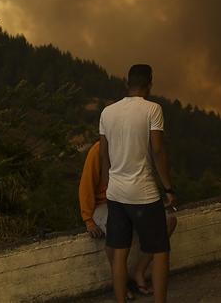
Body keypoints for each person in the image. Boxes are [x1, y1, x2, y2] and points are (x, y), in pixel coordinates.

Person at [100, 64, 176, 303]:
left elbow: (104, 155)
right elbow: (157, 150)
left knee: (119, 253)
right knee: (160, 251)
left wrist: (106, 187)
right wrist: (168, 188)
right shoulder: (153, 109)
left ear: (127, 83)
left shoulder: (107, 112)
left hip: (115, 192)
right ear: (149, 84)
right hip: (143, 193)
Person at [79, 140, 178, 299]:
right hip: (104, 203)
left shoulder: (132, 144)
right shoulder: (98, 151)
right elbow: (86, 185)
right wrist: (88, 220)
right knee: (114, 233)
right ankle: (121, 285)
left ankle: (140, 271)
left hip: (132, 198)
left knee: (168, 221)